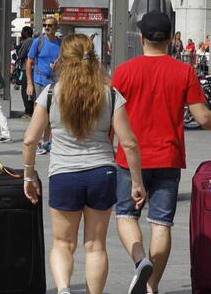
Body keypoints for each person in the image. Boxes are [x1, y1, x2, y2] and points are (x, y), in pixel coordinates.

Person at [111, 11, 211, 294]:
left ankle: (139, 260)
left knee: (125, 216)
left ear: (141, 38)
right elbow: (204, 117)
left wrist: (109, 146)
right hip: (167, 158)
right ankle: (151, 287)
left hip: (129, 159)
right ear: (170, 40)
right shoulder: (184, 72)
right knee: (161, 223)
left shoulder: (123, 72)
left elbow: (112, 117)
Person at [22, 34, 146, 294]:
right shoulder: (110, 93)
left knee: (62, 243)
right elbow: (130, 143)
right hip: (102, 173)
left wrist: (28, 176)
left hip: (63, 175)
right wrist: (136, 181)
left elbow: (30, 140)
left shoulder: (51, 94)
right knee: (96, 245)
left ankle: (64, 289)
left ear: (63, 61)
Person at [26, 17, 61, 155]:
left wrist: (59, 64)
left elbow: (65, 60)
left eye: (50, 25)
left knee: (51, 114)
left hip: (54, 82)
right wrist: (29, 83)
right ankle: (36, 142)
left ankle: (46, 142)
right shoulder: (38, 42)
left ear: (56, 27)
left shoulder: (60, 43)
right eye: (45, 25)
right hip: (39, 81)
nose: (47, 27)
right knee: (39, 113)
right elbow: (29, 62)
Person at [16, 26, 34, 118]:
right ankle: (31, 110)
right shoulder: (34, 40)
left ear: (26, 33)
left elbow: (20, 54)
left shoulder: (27, 41)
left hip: (26, 69)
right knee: (31, 91)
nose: (21, 33)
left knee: (24, 90)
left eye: (22, 32)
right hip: (33, 69)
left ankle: (28, 111)